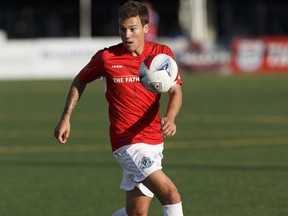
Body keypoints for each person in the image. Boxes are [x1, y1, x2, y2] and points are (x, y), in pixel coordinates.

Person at [54, 1, 183, 215]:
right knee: (171, 194)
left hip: (154, 142)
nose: (127, 35)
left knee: (136, 213)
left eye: (133, 28)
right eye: (123, 29)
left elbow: (175, 91)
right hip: (127, 143)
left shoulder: (161, 54)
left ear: (145, 27)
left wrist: (170, 117)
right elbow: (80, 80)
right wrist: (66, 117)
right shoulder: (107, 58)